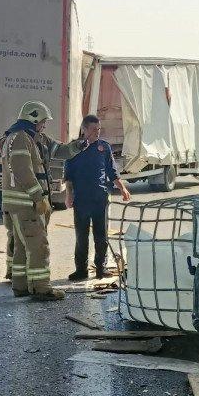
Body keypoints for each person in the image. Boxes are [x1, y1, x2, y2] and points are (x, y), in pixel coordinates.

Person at [1, 101, 64, 301]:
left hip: (16, 204)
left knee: (21, 246)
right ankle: (41, 288)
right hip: (27, 204)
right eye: (43, 121)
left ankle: (20, 286)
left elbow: (60, 150)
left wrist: (80, 145)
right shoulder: (21, 138)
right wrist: (38, 197)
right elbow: (23, 171)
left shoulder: (17, 137)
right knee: (38, 246)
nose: (44, 125)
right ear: (33, 118)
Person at [63, 114, 130, 280]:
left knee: (101, 236)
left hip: (100, 199)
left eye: (99, 129)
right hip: (81, 200)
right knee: (81, 237)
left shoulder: (104, 147)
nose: (97, 133)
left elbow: (112, 172)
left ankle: (101, 267)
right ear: (84, 129)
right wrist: (69, 194)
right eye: (93, 130)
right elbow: (68, 175)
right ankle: (81, 269)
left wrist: (122, 189)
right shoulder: (73, 148)